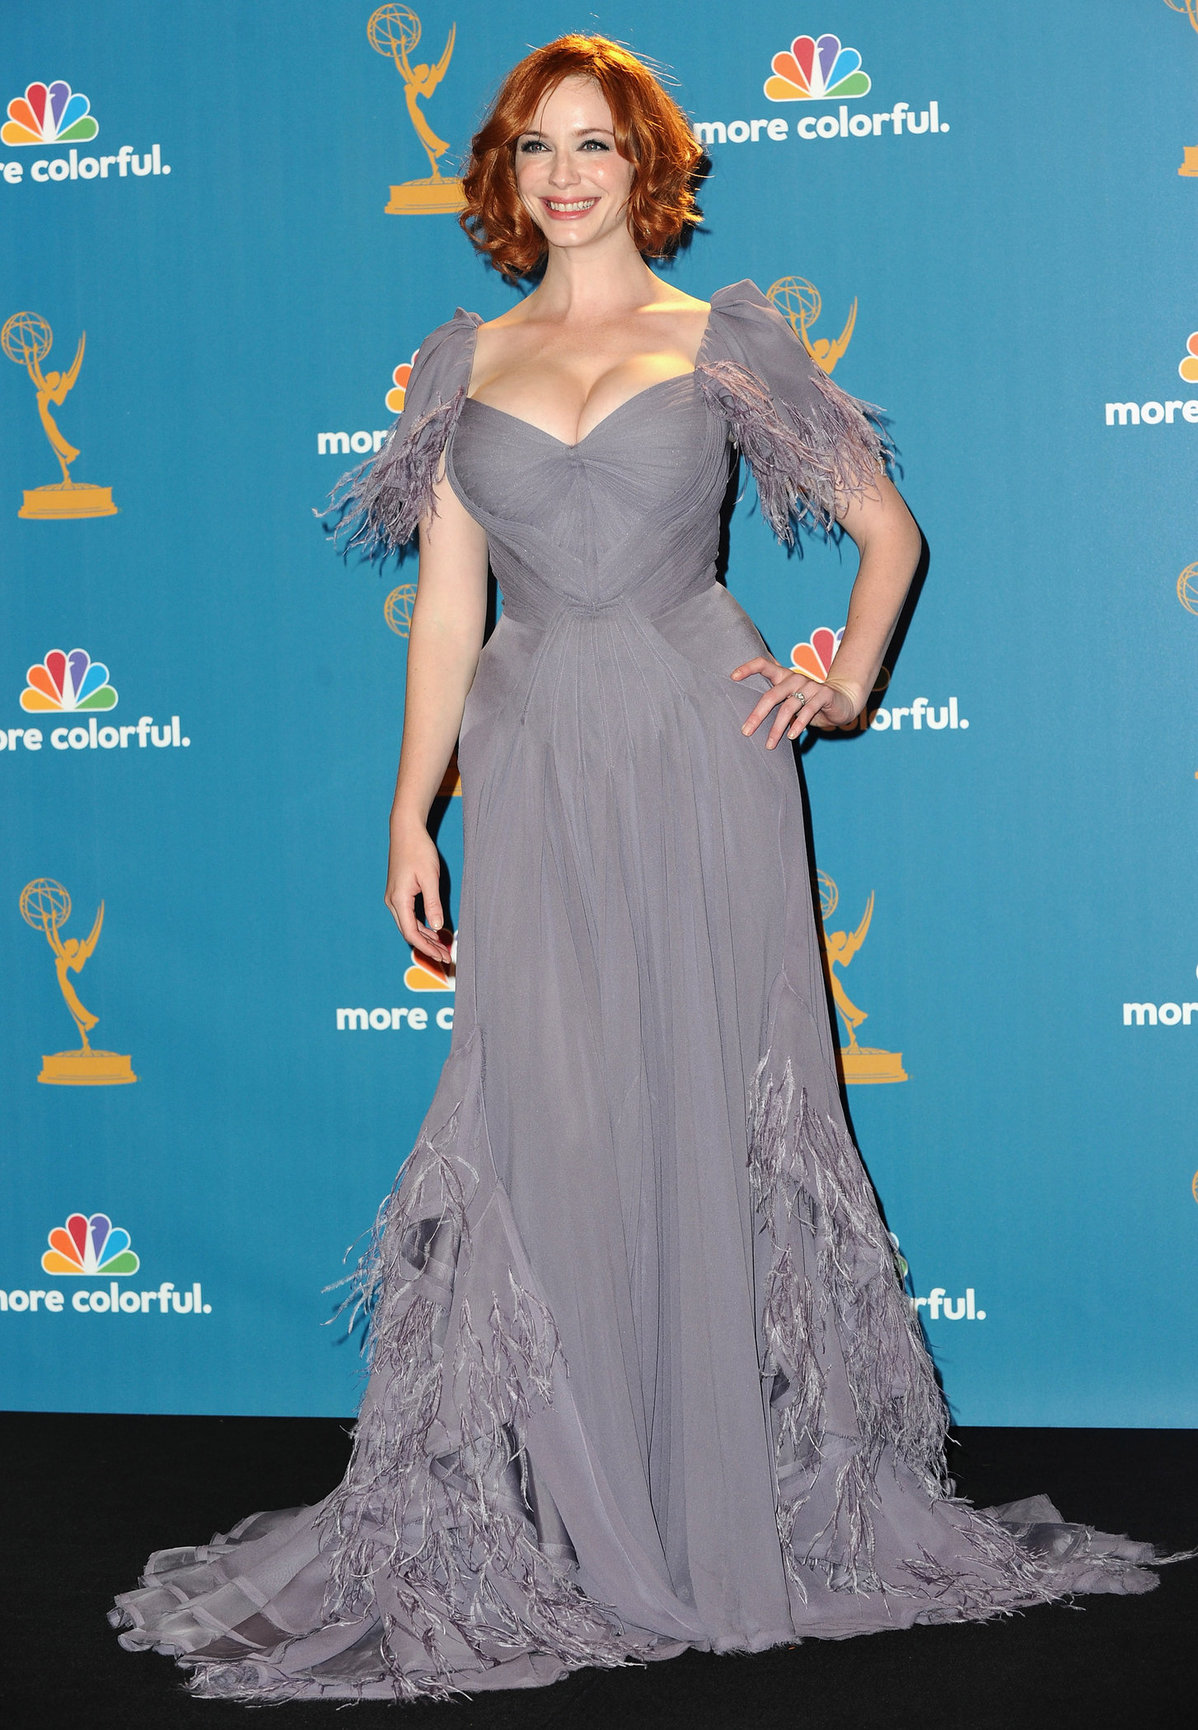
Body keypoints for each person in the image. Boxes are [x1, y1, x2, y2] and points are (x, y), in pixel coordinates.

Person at [110, 35, 1173, 1702]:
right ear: (504, 175)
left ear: (645, 163)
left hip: (703, 746)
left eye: (595, 145)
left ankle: (727, 1502)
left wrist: (841, 681)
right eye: (535, 149)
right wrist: (412, 809)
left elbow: (886, 533)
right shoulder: (459, 360)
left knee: (711, 1092)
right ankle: (576, 1500)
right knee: (556, 1114)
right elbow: (450, 603)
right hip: (533, 757)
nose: (566, 176)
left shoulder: (723, 338)